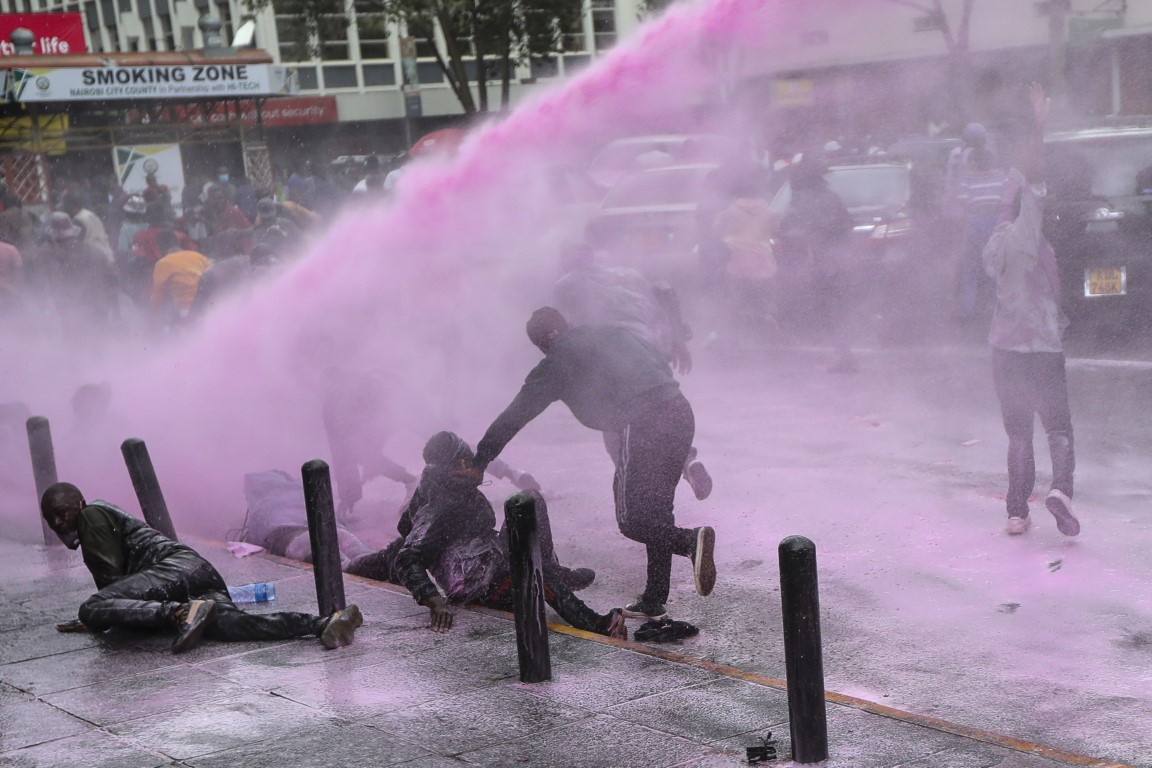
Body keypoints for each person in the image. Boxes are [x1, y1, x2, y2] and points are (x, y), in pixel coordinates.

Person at [474, 307, 717, 620]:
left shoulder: (558, 358)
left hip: (643, 421)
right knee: (657, 512)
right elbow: (658, 362)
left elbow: (517, 413)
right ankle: (654, 598)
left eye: (542, 347)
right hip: (679, 411)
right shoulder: (612, 331)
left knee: (632, 520)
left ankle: (689, 541)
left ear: (548, 338)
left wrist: (482, 456)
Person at [346, 432, 622, 636]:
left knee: (531, 502)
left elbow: (405, 529)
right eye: (470, 460)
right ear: (457, 466)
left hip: (488, 558)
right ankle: (598, 623)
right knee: (534, 573)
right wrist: (434, 601)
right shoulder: (443, 502)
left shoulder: (439, 482)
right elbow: (408, 556)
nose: (478, 464)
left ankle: (551, 568)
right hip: (479, 582)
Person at [40, 481, 363, 654]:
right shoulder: (95, 515)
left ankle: (182, 613)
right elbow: (121, 590)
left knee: (92, 607)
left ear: (78, 504)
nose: (59, 522)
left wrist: (99, 616)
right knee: (234, 626)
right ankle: (324, 623)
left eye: (62, 512)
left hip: (173, 571)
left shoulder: (91, 515)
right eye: (51, 518)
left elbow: (111, 582)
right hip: (196, 573)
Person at [981, 83, 1078, 538]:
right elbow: (1033, 191)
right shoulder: (1028, 240)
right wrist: (1039, 126)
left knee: (1017, 433)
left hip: (1004, 349)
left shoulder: (996, 244)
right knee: (1057, 426)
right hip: (1041, 348)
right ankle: (1060, 490)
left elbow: (1011, 203)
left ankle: (1017, 512)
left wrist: (1012, 185)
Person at [553, 243, 712, 500]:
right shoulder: (629, 275)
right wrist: (678, 341)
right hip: (651, 348)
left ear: (566, 262)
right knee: (661, 412)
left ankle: (635, 490)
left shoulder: (567, 284)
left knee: (615, 427)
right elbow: (663, 291)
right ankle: (687, 462)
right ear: (592, 256)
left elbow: (564, 330)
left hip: (613, 355)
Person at [776, 158, 856, 372]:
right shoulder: (831, 196)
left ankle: (842, 355)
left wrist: (805, 238)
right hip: (839, 260)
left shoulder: (801, 200)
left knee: (828, 309)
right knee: (838, 307)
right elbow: (848, 224)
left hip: (818, 261)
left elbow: (787, 229)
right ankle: (844, 353)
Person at [151, 229, 211, 325]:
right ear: (177, 242)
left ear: (160, 247)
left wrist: (155, 316)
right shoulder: (198, 256)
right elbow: (214, 275)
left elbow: (158, 294)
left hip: (186, 310)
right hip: (208, 306)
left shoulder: (163, 263)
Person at [60, 191, 114, 265]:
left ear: (72, 207)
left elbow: (78, 244)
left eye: (66, 207)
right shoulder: (89, 214)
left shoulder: (78, 219)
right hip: (108, 255)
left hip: (95, 259)